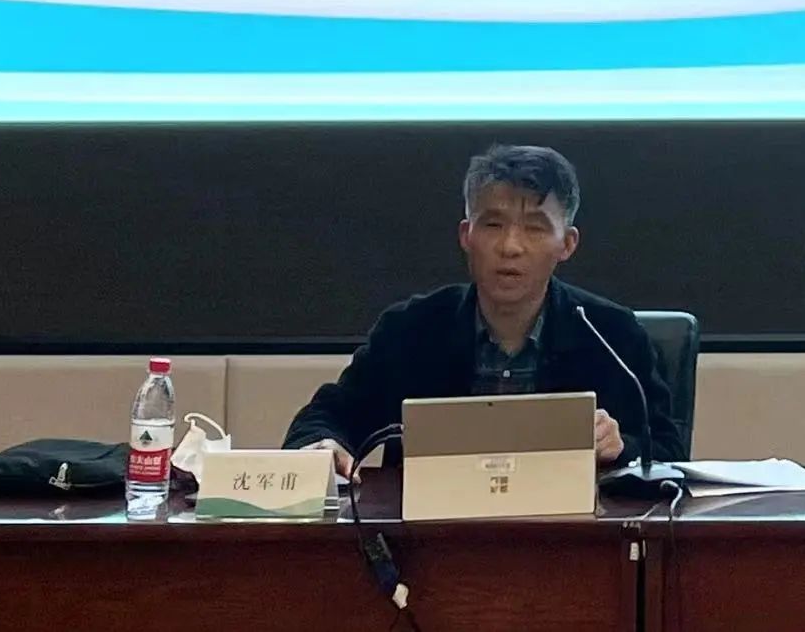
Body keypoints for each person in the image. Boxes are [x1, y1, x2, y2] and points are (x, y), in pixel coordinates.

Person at [284, 144, 682, 476]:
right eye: (493, 225)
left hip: (570, 536)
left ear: (567, 244)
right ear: (466, 235)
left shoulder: (612, 334)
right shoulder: (410, 330)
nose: (510, 247)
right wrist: (322, 443)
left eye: (535, 228)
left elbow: (670, 452)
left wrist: (623, 447)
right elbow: (326, 417)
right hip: (431, 536)